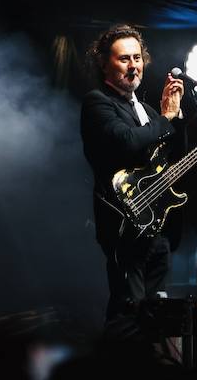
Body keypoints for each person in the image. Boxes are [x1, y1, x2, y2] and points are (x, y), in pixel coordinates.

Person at [79, 23, 186, 342]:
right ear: (104, 64)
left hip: (158, 226)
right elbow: (126, 142)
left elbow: (173, 158)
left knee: (156, 313)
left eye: (137, 58)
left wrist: (175, 116)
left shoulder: (149, 111)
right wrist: (164, 121)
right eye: (124, 59)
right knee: (129, 310)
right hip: (124, 229)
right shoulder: (98, 103)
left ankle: (151, 375)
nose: (133, 65)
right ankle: (118, 376)